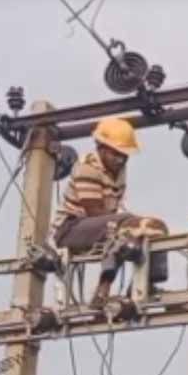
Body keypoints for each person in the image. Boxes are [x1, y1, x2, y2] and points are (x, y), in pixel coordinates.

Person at [50, 117, 169, 307]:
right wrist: (130, 222)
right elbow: (94, 212)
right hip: (70, 230)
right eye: (116, 154)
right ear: (101, 147)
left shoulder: (119, 170)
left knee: (156, 227)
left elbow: (112, 219)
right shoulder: (86, 168)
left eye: (124, 155)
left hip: (105, 226)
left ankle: (146, 282)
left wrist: (137, 227)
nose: (121, 159)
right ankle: (103, 289)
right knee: (127, 227)